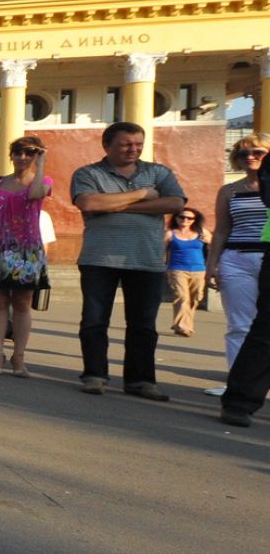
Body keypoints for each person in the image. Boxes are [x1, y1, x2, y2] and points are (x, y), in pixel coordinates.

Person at [70, 121, 186, 400]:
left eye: (138, 144)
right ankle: (95, 375)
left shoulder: (158, 172)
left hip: (146, 259)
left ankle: (140, 380)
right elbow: (88, 204)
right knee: (95, 321)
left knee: (143, 324)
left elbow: (175, 204)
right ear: (107, 146)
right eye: (125, 144)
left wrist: (115, 203)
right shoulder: (88, 173)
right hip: (99, 258)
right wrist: (142, 194)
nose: (133, 149)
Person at [0, 136, 53, 376]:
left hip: (26, 252)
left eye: (29, 153)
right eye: (18, 153)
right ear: (11, 156)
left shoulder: (43, 181)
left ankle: (19, 357)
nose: (22, 158)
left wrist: (40, 166)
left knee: (22, 304)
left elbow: (36, 194)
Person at [206, 136, 268, 395]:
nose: (250, 157)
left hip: (268, 258)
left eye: (258, 152)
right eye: (243, 154)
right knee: (240, 325)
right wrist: (211, 265)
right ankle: (238, 384)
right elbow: (221, 231)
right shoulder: (229, 191)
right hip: (237, 259)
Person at [165, 208, 210, 338]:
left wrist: (208, 241)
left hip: (199, 270)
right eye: (182, 217)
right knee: (182, 297)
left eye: (189, 218)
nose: (185, 220)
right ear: (176, 218)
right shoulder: (170, 234)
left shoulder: (202, 232)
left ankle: (181, 323)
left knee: (196, 299)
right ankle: (184, 327)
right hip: (177, 269)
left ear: (194, 220)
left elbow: (214, 246)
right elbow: (161, 251)